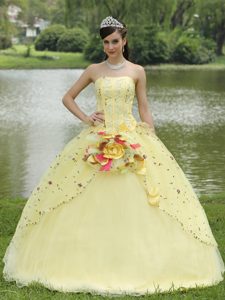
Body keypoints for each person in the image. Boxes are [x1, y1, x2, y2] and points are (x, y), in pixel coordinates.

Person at [2, 16, 224, 297]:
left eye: (114, 41)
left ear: (124, 41)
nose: (110, 46)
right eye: (106, 42)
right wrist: (86, 117)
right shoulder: (94, 70)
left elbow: (143, 106)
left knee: (143, 198)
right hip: (98, 138)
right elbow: (67, 97)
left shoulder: (137, 71)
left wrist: (151, 135)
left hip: (131, 137)